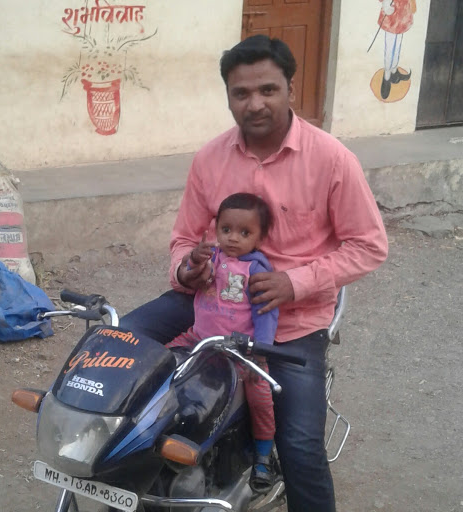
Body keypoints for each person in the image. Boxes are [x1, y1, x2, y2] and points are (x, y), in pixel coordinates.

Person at [120, 34, 388, 511]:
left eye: (268, 89)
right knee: (120, 349)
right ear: (228, 97)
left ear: (290, 89)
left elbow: (369, 245)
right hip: (208, 303)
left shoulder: (331, 159)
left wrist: (294, 282)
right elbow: (183, 237)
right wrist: (188, 269)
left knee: (300, 445)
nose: (255, 103)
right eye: (241, 93)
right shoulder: (210, 159)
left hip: (288, 322)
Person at [166, 192, 278, 493]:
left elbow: (266, 314)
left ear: (260, 237)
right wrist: (193, 260)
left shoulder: (257, 270)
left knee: (260, 397)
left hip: (240, 351)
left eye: (244, 233)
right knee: (160, 363)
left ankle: (263, 454)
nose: (233, 238)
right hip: (199, 337)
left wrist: (260, 354)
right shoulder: (212, 257)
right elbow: (190, 275)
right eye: (226, 230)